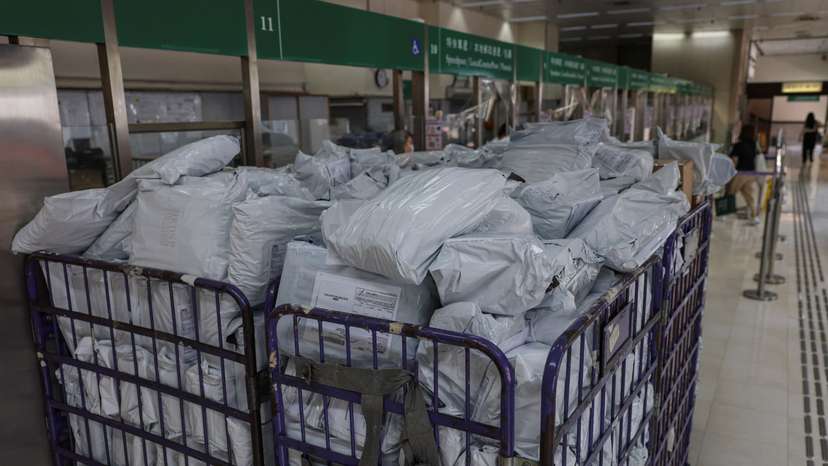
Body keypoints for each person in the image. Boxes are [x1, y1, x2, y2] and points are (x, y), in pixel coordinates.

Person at [729, 124, 759, 224]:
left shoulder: (739, 145)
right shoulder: (754, 144)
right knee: (749, 195)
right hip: (751, 173)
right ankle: (754, 216)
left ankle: (725, 213)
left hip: (741, 173)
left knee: (730, 192)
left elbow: (733, 159)